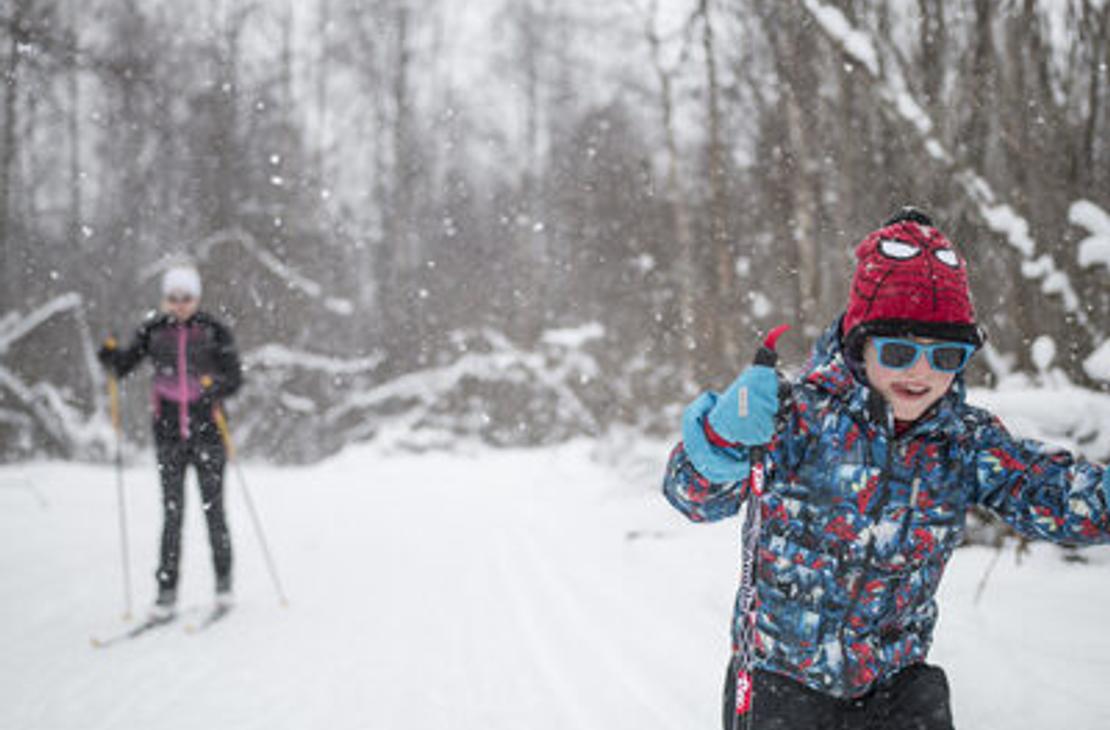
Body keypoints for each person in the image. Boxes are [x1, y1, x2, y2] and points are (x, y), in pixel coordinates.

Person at [662, 208, 1110, 729]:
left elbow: (1057, 496)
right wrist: (722, 441)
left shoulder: (964, 441)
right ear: (859, 345)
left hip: (894, 688)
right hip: (781, 681)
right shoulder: (795, 417)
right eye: (898, 351)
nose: (921, 371)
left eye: (946, 356)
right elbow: (692, 496)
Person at [99, 263, 243, 617]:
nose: (180, 304)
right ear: (165, 299)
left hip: (208, 433)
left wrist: (214, 387)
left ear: (197, 297)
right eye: (174, 298)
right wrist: (110, 355)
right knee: (172, 515)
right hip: (168, 435)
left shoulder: (214, 331)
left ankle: (223, 584)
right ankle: (166, 592)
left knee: (214, 513)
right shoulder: (154, 331)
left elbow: (235, 378)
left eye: (187, 297)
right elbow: (124, 365)